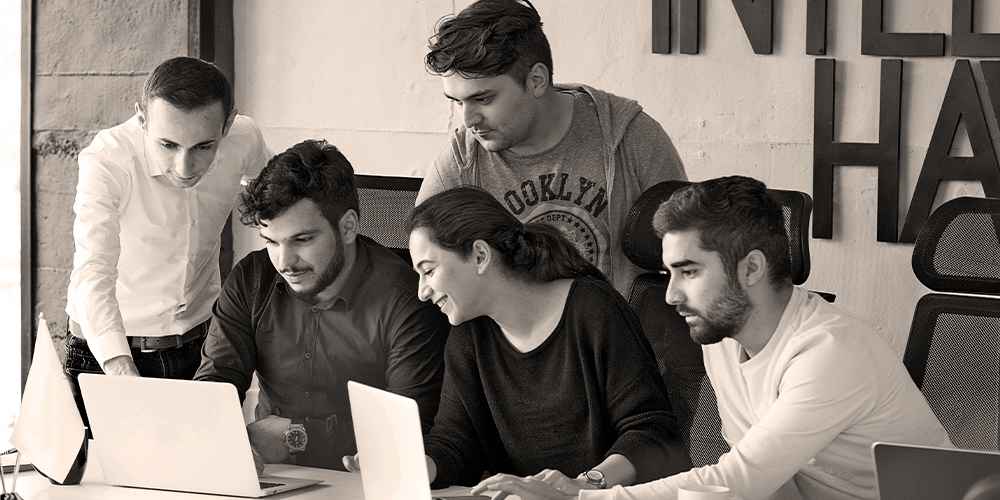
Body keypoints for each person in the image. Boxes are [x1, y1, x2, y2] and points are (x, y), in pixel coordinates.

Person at [474, 176, 953, 500]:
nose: (671, 295)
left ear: (751, 268)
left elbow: (736, 481)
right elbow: (764, 486)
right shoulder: (724, 340)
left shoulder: (829, 352)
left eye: (689, 272)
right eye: (668, 273)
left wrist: (578, 496)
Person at [397, 187, 689, 490]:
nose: (422, 291)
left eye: (428, 271)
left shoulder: (593, 310)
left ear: (480, 256)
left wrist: (581, 486)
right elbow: (456, 441)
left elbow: (652, 432)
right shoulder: (468, 333)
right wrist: (413, 465)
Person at [194, 139, 449, 470]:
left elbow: (405, 432)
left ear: (348, 227)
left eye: (302, 240)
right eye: (271, 241)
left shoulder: (407, 300)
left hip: (364, 479)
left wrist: (296, 437)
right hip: (275, 475)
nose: (284, 262)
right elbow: (214, 387)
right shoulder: (252, 278)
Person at [417, 0, 687, 297]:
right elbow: (428, 269)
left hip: (615, 337)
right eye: (457, 102)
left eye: (483, 99)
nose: (468, 120)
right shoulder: (462, 161)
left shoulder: (630, 136)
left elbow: (687, 251)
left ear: (536, 81)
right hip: (511, 339)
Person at [63, 56, 269, 423]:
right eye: (168, 145)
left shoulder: (245, 138)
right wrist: (122, 372)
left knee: (205, 476)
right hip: (107, 352)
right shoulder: (107, 159)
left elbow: (277, 204)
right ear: (143, 118)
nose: (185, 167)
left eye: (204, 146)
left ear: (229, 124)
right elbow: (92, 272)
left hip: (201, 345)